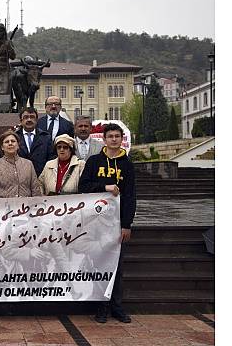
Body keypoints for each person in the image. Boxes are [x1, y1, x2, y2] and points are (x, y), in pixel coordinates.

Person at [78, 123, 137, 324]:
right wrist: (104, 186)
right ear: (103, 139)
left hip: (117, 222)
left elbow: (130, 196)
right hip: (96, 222)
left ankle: (117, 307)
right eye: (110, 136)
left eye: (117, 136)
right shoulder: (94, 161)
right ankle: (101, 306)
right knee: (98, 264)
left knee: (117, 267)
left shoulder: (127, 165)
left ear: (122, 139)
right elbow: (83, 186)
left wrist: (127, 224)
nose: (113, 139)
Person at [0, 130, 42, 198]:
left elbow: (35, 190)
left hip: (26, 206)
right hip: (3, 207)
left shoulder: (28, 164)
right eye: (6, 142)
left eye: (13, 141)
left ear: (18, 145)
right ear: (2, 147)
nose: (10, 143)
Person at [16, 107, 56, 176]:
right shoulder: (15, 137)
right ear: (21, 120)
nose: (29, 120)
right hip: (19, 177)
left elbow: (51, 159)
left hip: (41, 177)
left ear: (37, 120)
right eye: (26, 117)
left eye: (32, 117)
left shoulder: (46, 137)